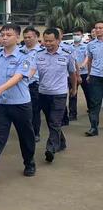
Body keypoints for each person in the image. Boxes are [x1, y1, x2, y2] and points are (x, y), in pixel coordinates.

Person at [0, 24, 36, 182]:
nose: (4, 37)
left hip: (20, 103)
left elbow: (18, 77)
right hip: (1, 105)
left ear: (17, 38)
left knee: (26, 136)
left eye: (8, 35)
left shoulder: (25, 56)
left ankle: (29, 163)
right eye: (2, 35)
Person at [36, 28, 77, 162]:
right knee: (51, 121)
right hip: (43, 93)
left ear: (58, 40)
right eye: (45, 41)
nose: (47, 43)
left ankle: (51, 148)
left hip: (59, 94)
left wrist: (74, 88)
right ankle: (62, 141)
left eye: (51, 41)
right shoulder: (38, 54)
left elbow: (72, 73)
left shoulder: (66, 54)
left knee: (55, 121)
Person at [21, 26, 41, 142]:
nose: (27, 39)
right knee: (24, 110)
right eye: (25, 37)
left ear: (36, 37)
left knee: (34, 110)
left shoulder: (41, 51)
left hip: (34, 84)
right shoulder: (20, 50)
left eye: (30, 37)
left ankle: (35, 132)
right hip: (21, 83)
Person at [86, 21, 103, 136]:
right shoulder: (90, 45)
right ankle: (93, 127)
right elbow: (90, 60)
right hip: (96, 76)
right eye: (96, 28)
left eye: (101, 28)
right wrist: (88, 74)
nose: (98, 30)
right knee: (94, 103)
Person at [70, 27, 90, 120]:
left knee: (88, 93)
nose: (76, 36)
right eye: (74, 34)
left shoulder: (86, 46)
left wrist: (83, 65)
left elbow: (87, 57)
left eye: (78, 34)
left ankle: (91, 110)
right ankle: (72, 114)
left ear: (82, 35)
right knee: (73, 93)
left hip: (84, 73)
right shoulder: (69, 46)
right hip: (73, 74)